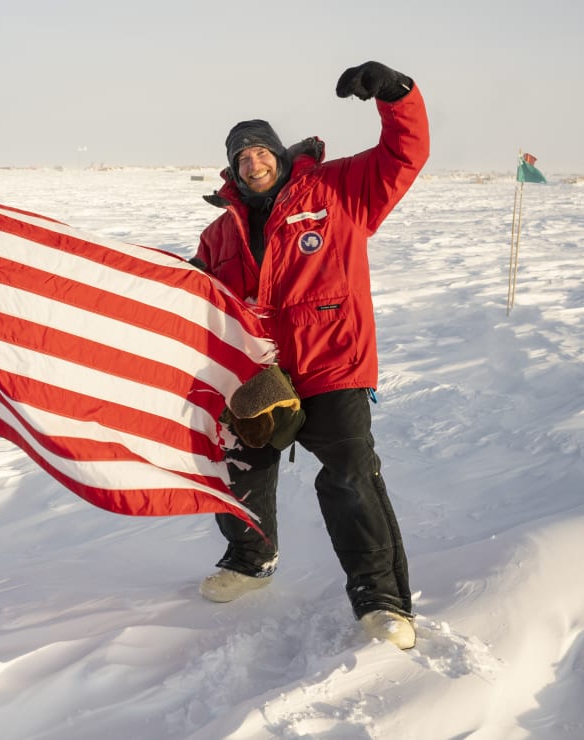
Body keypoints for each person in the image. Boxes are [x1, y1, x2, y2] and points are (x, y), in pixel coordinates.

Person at [191, 61, 430, 649]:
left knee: (350, 476)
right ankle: (250, 561)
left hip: (332, 361)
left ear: (278, 152)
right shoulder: (220, 234)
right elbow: (196, 294)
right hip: (260, 375)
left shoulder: (337, 190)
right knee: (241, 468)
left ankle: (382, 599)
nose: (253, 162)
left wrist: (397, 95)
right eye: (241, 157)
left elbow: (404, 157)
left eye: (260, 151)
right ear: (232, 170)